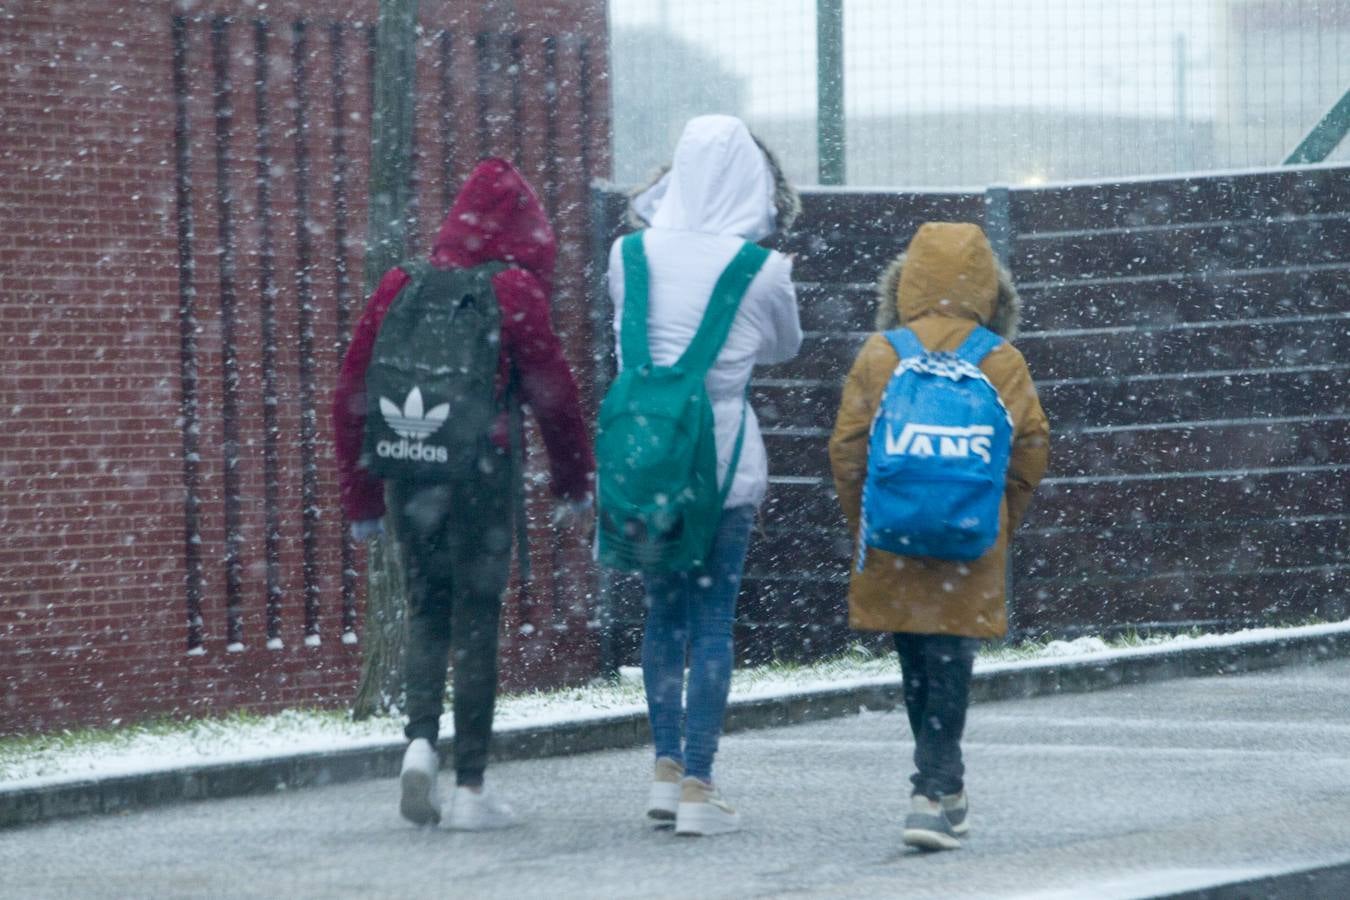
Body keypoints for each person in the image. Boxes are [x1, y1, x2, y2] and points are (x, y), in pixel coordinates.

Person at [332, 158, 594, 829]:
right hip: (482, 472)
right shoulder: (513, 291)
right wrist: (574, 482)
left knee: (427, 608)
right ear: (524, 227)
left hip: (409, 468)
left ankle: (419, 742)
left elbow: (352, 390)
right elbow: (556, 396)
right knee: (477, 622)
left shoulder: (400, 283)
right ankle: (472, 788)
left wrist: (362, 499)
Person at [828, 222, 1049, 851]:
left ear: (905, 284)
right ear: (992, 291)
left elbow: (847, 449)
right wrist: (998, 516)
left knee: (916, 660)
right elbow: (1031, 446)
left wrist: (867, 519)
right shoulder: (1000, 359)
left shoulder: (881, 353)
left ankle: (937, 785)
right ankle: (934, 790)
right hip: (968, 534)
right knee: (951, 659)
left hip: (895, 531)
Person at [610, 115, 802, 836]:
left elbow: (635, 346)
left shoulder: (626, 255)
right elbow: (784, 348)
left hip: (646, 462)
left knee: (662, 614)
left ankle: (663, 770)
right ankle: (699, 780)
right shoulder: (763, 271)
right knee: (712, 621)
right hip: (724, 460)